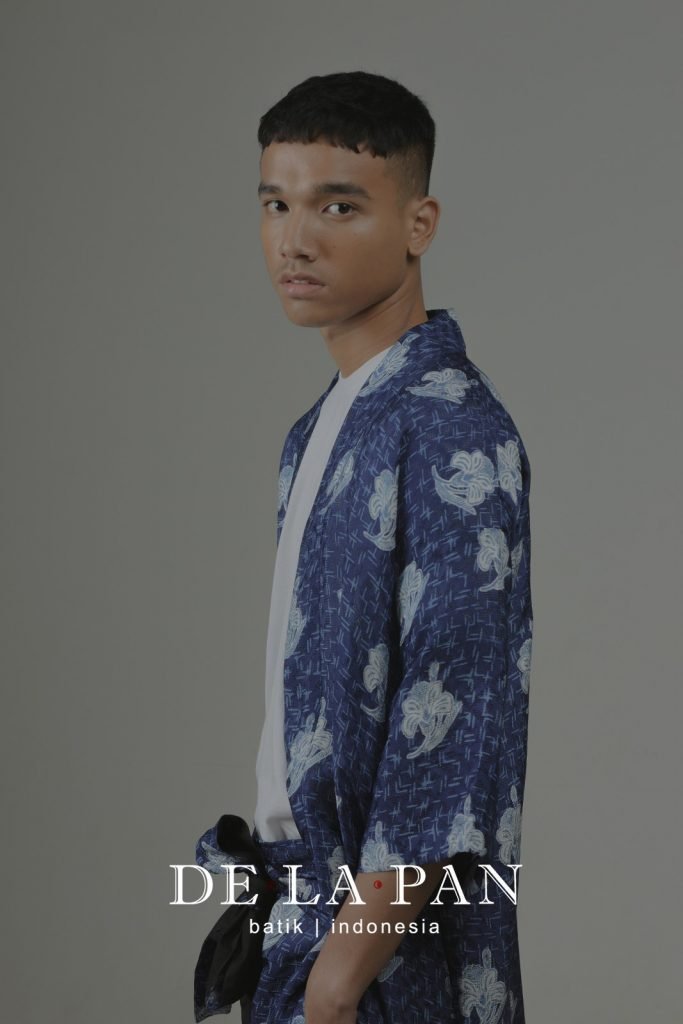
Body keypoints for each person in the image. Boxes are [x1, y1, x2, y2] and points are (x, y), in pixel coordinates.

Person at [196, 70, 534, 1024]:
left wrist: (338, 982)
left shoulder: (450, 426)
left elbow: (455, 719)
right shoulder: (317, 432)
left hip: (386, 951)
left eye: (338, 206)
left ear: (419, 224)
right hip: (301, 922)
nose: (295, 240)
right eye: (276, 204)